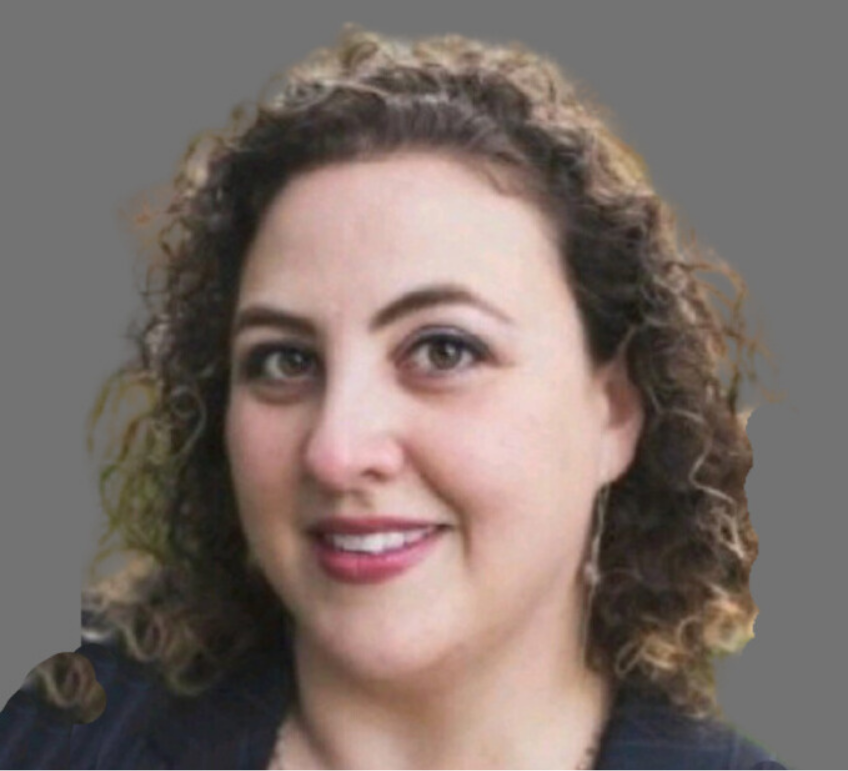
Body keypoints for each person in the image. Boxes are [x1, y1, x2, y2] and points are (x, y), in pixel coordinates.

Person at [0, 25, 789, 771]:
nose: (336, 450)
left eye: (445, 350)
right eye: (284, 360)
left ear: (614, 410)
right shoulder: (54, 740)